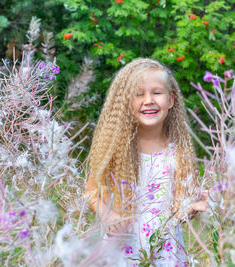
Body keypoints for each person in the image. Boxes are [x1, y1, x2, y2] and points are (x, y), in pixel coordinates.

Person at [84, 58, 208, 266]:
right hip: (122, 254)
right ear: (126, 102)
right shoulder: (117, 150)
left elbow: (177, 211)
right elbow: (91, 191)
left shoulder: (178, 153)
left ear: (171, 100)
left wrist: (192, 206)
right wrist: (108, 215)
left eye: (157, 93)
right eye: (138, 94)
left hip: (167, 256)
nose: (148, 100)